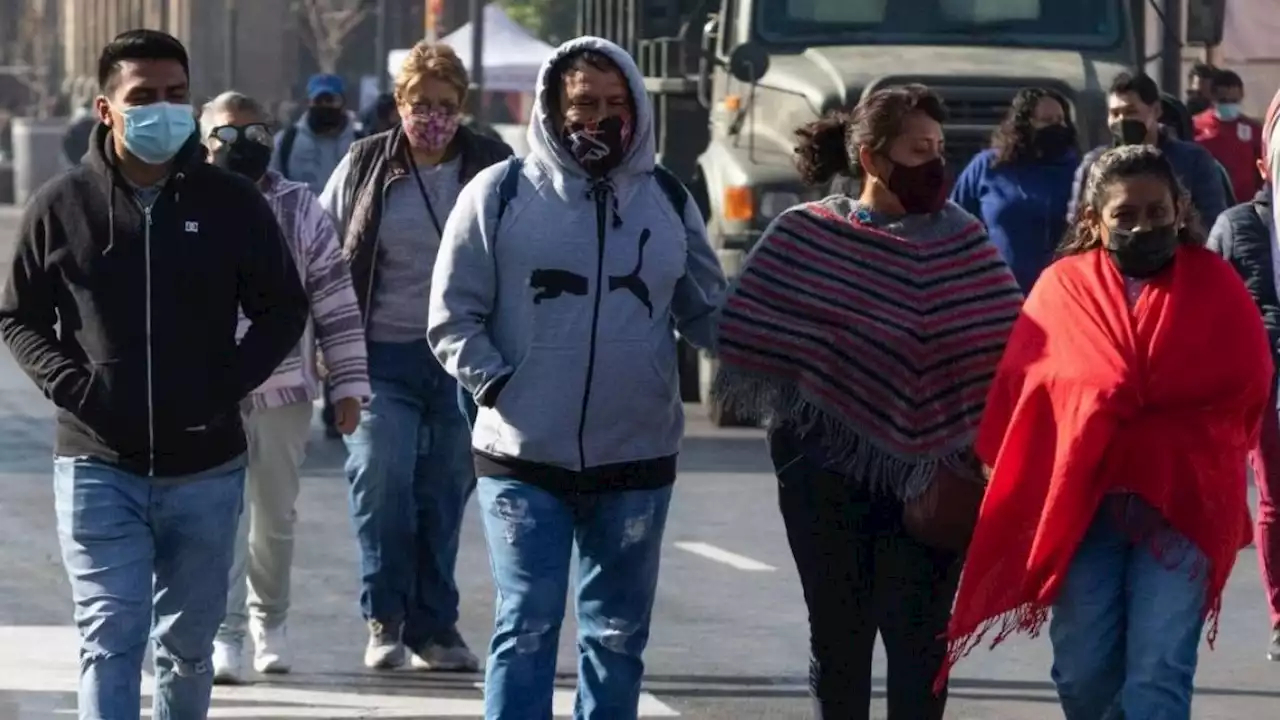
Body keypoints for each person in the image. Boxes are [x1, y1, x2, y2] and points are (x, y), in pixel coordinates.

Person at [0, 30, 308, 718]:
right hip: (96, 465)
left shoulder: (231, 202)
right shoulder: (62, 206)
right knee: (110, 635)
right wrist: (76, 389)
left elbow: (284, 307)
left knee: (188, 647)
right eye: (143, 97)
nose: (162, 110)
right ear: (107, 107)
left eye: (176, 95)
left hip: (205, 465)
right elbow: (17, 316)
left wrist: (227, 382)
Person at [428, 37, 727, 718]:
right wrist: (501, 385)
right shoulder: (499, 195)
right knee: (527, 626)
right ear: (552, 109)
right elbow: (451, 317)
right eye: (583, 104)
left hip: (637, 456)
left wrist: (786, 346)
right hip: (521, 457)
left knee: (617, 638)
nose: (598, 118)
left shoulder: (668, 199)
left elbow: (708, 310)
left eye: (615, 104)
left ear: (638, 108)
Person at [711, 84, 1022, 719]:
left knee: (923, 647)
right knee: (839, 640)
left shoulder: (965, 242)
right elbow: (746, 328)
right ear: (872, 159)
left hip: (936, 482)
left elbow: (1011, 350)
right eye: (918, 149)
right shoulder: (806, 236)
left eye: (939, 148)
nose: (934, 163)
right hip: (823, 475)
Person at [945, 145, 1272, 719]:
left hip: (1182, 506)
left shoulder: (1216, 286)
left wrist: (1159, 418)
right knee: (1082, 676)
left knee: (1157, 676)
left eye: (1156, 211)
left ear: (1180, 208)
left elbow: (1246, 391)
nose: (1143, 226)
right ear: (1095, 221)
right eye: (1125, 215)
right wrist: (1105, 400)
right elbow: (1026, 390)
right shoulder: (1060, 288)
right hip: (1083, 506)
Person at [319, 41, 511, 672]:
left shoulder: (494, 166)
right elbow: (322, 248)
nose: (433, 116)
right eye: (420, 103)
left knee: (443, 492)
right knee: (381, 478)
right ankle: (385, 615)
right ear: (398, 103)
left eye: (446, 105)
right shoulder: (365, 163)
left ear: (464, 107)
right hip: (380, 356)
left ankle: (435, 626)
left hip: (463, 362)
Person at [197, 91, 371, 683]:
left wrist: (347, 382)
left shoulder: (299, 207)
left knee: (273, 517)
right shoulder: (180, 200)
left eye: (256, 132)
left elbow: (334, 298)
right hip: (202, 393)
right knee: (217, 517)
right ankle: (223, 634)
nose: (243, 144)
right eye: (228, 134)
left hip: (281, 389)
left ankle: (270, 622)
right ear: (203, 141)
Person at [1207, 89, 1280, 662]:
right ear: (1265, 165)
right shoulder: (1236, 225)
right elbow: (1207, 308)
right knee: (1276, 500)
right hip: (1267, 387)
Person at [951, 87, 1079, 291]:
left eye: (1060, 120)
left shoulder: (1078, 172)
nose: (1057, 127)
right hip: (995, 296)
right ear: (1024, 124)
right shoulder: (987, 166)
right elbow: (954, 227)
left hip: (1059, 295)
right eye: (1047, 120)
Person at [1068, 72, 1228, 229]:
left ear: (1156, 110)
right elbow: (1079, 223)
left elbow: (1211, 220)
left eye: (1131, 112)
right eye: (1115, 114)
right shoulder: (1095, 164)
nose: (1122, 121)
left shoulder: (1193, 160)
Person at [272, 72, 358, 194]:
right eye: (319, 100)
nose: (325, 105)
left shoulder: (360, 141)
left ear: (343, 102)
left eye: (330, 100)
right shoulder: (286, 141)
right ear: (308, 103)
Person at [1195, 69, 1264, 204]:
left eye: (1233, 100)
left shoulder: (1253, 129)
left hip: (1246, 204)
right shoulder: (1196, 126)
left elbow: (1262, 170)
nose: (1229, 105)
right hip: (1208, 204)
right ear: (1213, 97)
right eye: (1223, 100)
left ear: (1241, 96)